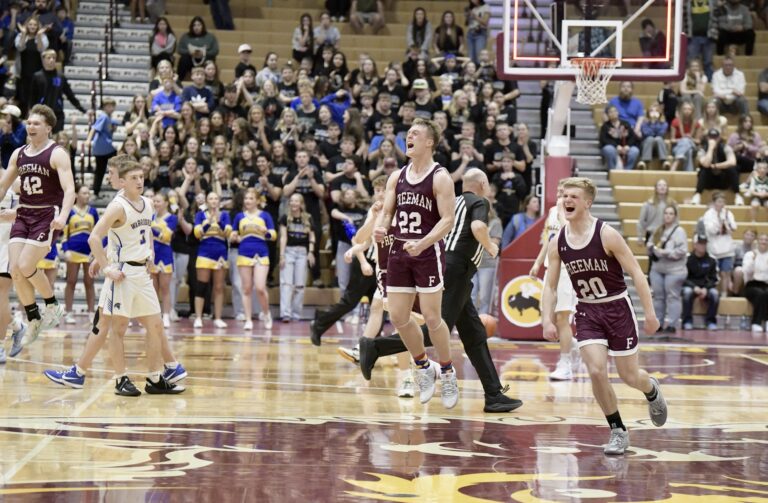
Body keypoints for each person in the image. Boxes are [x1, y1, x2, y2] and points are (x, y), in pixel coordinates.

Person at [360, 168, 523, 412]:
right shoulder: (480, 201)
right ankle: (375, 346)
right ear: (483, 184)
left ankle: (494, 394)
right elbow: (479, 227)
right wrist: (491, 247)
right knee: (436, 329)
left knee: (474, 335)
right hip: (457, 269)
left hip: (444, 262)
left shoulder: (450, 201)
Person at [541, 177, 668, 455]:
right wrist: (547, 319)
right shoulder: (558, 241)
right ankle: (617, 430)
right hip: (587, 310)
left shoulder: (606, 234)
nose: (567, 200)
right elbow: (550, 285)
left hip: (617, 308)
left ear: (587, 202)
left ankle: (651, 390)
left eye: (574, 196)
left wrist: (650, 313)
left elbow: (636, 272)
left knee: (630, 376)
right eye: (564, 196)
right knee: (596, 371)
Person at [44, 156, 186, 395]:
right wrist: (106, 265)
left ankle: (154, 377)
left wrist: (149, 252)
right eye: (134, 178)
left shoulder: (148, 203)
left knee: (155, 325)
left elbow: (144, 231)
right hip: (122, 274)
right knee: (115, 327)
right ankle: (120, 378)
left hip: (141, 272)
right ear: (122, 182)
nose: (140, 181)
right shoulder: (117, 206)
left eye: (141, 177)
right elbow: (94, 237)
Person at [372, 118, 458, 409]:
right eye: (407, 133)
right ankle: (424, 367)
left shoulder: (440, 176)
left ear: (429, 142)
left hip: (427, 251)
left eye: (415, 134)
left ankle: (447, 370)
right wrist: (382, 227)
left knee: (433, 319)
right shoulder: (397, 176)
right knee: (397, 317)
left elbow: (448, 220)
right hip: (398, 250)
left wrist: (422, 243)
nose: (409, 137)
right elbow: (386, 212)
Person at [0, 104, 75, 347]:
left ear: (48, 128)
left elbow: (69, 189)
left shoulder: (57, 153)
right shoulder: (19, 153)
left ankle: (52, 305)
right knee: (15, 270)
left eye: (36, 123)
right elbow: (3, 186)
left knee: (25, 264)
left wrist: (63, 215)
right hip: (23, 214)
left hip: (46, 214)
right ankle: (33, 317)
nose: (30, 126)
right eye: (29, 123)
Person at [530, 181, 579, 381]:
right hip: (552, 267)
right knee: (547, 313)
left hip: (567, 270)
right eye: (558, 191)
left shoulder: (570, 213)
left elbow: (568, 234)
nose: (560, 195)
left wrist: (561, 211)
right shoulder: (551, 212)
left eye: (564, 192)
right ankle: (574, 345)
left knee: (561, 317)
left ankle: (565, 362)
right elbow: (548, 240)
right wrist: (538, 262)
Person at [232, 188, 276, 330]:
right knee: (246, 288)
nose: (248, 201)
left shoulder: (265, 215)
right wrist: (234, 237)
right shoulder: (239, 216)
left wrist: (266, 232)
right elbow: (234, 234)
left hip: (261, 252)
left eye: (251, 198)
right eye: (246, 198)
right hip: (244, 252)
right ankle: (248, 319)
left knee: (260, 287)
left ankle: (266, 313)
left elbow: (273, 235)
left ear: (257, 201)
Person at [647, 204, 688, 334]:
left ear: (675, 216)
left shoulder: (680, 231)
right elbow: (651, 246)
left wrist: (667, 253)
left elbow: (683, 250)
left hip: (675, 270)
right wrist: (651, 247)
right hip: (658, 268)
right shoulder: (658, 230)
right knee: (658, 297)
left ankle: (672, 324)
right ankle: (658, 323)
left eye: (671, 213)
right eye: (666, 213)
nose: (668, 216)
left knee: (673, 296)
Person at [193, 191, 231, 329]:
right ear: (207, 202)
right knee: (202, 286)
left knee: (219, 287)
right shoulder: (200, 215)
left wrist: (219, 221)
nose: (214, 201)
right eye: (211, 199)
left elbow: (227, 233)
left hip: (220, 252)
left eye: (216, 198)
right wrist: (208, 222)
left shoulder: (225, 215)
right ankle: (198, 317)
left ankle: (218, 318)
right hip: (204, 252)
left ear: (219, 201)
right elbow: (197, 233)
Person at [61, 184, 98, 324]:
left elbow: (97, 233)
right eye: (84, 193)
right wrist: (66, 250)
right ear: (76, 195)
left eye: (88, 193)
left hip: (89, 252)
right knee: (71, 281)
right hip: (73, 251)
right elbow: (64, 235)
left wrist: (95, 252)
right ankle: (69, 312)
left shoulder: (93, 212)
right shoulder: (69, 211)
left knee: (90, 282)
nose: (87, 195)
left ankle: (91, 313)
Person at [0, 179, 28, 362]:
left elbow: (38, 206)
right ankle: (17, 326)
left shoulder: (14, 180)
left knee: (1, 292)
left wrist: (17, 213)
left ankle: (0, 346)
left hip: (5, 243)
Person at [29, 50, 86, 133]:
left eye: (54, 58)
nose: (52, 60)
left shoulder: (60, 76)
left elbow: (70, 95)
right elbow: (32, 97)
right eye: (49, 58)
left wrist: (82, 109)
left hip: (57, 114)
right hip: (41, 114)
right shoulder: (37, 76)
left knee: (57, 140)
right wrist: (31, 113)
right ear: (43, 59)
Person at [279, 193, 315, 322]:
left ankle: (296, 314)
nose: (294, 203)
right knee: (286, 284)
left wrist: (311, 252)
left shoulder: (308, 218)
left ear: (301, 204)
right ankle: (285, 313)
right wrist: (282, 255)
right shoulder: (285, 218)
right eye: (292, 201)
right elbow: (283, 237)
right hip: (289, 251)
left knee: (300, 285)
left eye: (297, 201)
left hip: (302, 252)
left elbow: (312, 236)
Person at [691, 129, 743, 206]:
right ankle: (697, 194)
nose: (713, 139)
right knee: (703, 170)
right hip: (709, 181)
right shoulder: (702, 149)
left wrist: (716, 166)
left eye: (715, 137)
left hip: (723, 180)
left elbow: (733, 162)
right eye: (711, 137)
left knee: (732, 169)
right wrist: (711, 148)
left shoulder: (725, 147)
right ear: (707, 138)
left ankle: (737, 195)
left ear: (719, 138)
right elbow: (705, 164)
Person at [150, 191, 177, 328]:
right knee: (152, 289)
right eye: (154, 201)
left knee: (165, 288)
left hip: (165, 254)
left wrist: (151, 229)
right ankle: (154, 316)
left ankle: (166, 316)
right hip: (151, 254)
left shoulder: (172, 218)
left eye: (158, 201)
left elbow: (165, 237)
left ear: (166, 203)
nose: (155, 204)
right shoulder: (149, 216)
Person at [682, 235, 720, 330]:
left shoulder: (711, 260)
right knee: (687, 292)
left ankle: (711, 321)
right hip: (691, 286)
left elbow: (714, 278)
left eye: (704, 244)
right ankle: (687, 321)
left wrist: (706, 289)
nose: (702, 246)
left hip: (706, 287)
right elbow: (682, 277)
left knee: (715, 294)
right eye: (700, 244)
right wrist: (694, 287)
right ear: (695, 245)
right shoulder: (687, 259)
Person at [703, 191, 737, 297]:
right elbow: (710, 230)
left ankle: (724, 293)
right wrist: (719, 225)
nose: (721, 204)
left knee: (725, 273)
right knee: (714, 273)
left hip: (727, 249)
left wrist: (725, 223)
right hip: (714, 249)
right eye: (719, 201)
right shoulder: (708, 214)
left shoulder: (728, 213)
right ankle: (713, 293)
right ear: (714, 202)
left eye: (723, 202)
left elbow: (734, 227)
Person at [86, 98, 119, 198]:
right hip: (102, 147)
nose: (110, 108)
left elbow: (108, 132)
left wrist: (113, 128)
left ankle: (97, 191)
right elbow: (94, 128)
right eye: (108, 106)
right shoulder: (104, 117)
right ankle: (114, 183)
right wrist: (88, 140)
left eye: (112, 106)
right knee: (116, 162)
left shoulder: (108, 118)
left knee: (101, 170)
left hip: (104, 148)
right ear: (104, 107)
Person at [599, 104, 640, 171]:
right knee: (608, 149)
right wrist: (616, 146)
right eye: (611, 112)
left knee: (635, 150)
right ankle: (612, 171)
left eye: (615, 111)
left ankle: (627, 170)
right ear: (607, 115)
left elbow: (633, 137)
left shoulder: (625, 124)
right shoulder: (605, 126)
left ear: (618, 112)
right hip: (613, 148)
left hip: (626, 147)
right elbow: (604, 140)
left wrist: (628, 146)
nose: (613, 113)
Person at [743, 233, 768, 332]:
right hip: (751, 285)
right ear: (757, 242)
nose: (764, 242)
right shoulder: (750, 254)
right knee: (760, 294)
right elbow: (746, 272)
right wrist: (753, 260)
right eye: (762, 239)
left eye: (766, 240)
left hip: (765, 284)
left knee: (766, 293)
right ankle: (756, 322)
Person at [465, 0, 489, 65]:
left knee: (479, 56)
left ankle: (480, 72)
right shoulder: (471, 8)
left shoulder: (485, 7)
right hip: (470, 32)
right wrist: (467, 16)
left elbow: (485, 22)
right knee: (471, 57)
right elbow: (467, 23)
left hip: (480, 32)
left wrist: (474, 16)